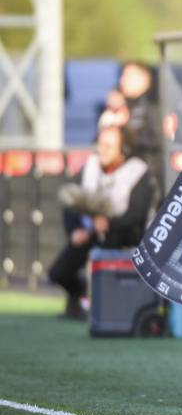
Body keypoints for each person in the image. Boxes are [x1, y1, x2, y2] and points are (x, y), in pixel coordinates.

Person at [49, 126, 154, 319]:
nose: (102, 150)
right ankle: (79, 296)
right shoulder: (90, 165)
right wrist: (74, 230)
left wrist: (109, 224)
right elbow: (71, 201)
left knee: (107, 257)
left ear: (124, 150)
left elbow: (136, 215)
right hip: (91, 233)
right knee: (58, 273)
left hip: (123, 236)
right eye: (101, 144)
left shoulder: (137, 170)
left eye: (109, 146)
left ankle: (103, 307)